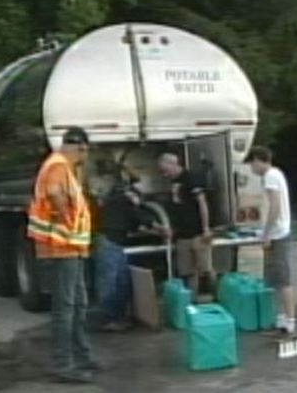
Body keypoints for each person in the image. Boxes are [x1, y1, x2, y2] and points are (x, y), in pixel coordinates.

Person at [27, 126, 97, 384]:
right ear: (80, 147)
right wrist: (67, 220)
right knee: (65, 308)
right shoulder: (57, 165)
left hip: (70, 249)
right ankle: (63, 364)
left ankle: (81, 356)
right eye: (84, 152)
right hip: (60, 249)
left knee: (77, 305)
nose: (83, 157)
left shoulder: (62, 167)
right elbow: (54, 193)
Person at [94, 179, 166, 332]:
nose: (138, 202)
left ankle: (118, 318)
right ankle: (109, 319)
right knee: (111, 283)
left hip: (113, 244)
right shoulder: (124, 200)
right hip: (110, 243)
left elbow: (135, 224)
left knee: (121, 281)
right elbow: (140, 216)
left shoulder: (116, 204)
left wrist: (153, 231)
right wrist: (161, 228)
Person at [246, 146, 296, 334]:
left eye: (252, 163)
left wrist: (266, 233)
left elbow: (274, 205)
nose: (251, 168)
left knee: (283, 278)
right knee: (274, 278)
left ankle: (290, 319)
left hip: (278, 234)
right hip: (276, 232)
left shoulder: (270, 176)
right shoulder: (274, 175)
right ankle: (281, 318)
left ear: (259, 160)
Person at [157, 153, 215, 299]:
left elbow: (202, 203)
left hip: (197, 233)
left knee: (206, 269)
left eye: (165, 170)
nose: (164, 174)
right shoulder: (173, 183)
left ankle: (218, 297)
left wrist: (206, 228)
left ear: (173, 164)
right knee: (188, 272)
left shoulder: (191, 178)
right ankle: (192, 301)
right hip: (182, 235)